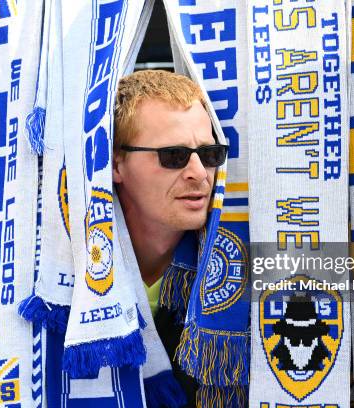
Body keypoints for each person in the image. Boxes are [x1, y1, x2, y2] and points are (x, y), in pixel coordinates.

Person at [112, 69, 228, 406]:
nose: (198, 173)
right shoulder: (68, 274)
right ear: (117, 164)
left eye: (209, 155)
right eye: (173, 156)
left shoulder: (232, 276)